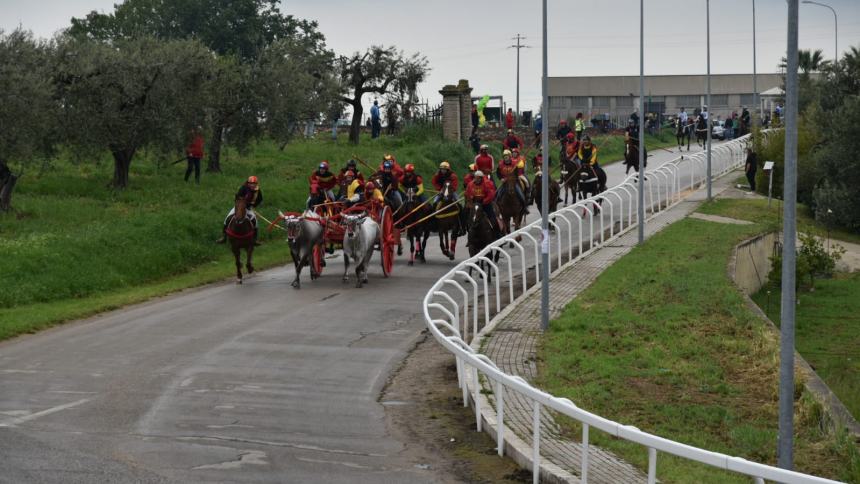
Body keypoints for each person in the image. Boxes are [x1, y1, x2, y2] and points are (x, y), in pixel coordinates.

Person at [217, 176, 263, 245]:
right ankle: (224, 237)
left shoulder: (258, 190)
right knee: (227, 218)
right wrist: (240, 205)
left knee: (255, 221)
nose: (252, 185)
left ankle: (255, 239)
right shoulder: (243, 188)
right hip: (239, 207)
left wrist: (253, 205)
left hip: (248, 208)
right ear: (248, 183)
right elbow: (237, 197)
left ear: (256, 184)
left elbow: (260, 199)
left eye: (254, 183)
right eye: (251, 183)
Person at [465, 170, 501, 237]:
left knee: (492, 217)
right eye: (476, 177)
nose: (477, 179)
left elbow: (491, 195)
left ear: (481, 178)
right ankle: (466, 230)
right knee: (466, 214)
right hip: (475, 203)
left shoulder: (487, 183)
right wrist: (470, 201)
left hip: (485, 203)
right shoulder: (470, 184)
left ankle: (498, 234)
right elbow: (467, 193)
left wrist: (484, 201)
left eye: (479, 178)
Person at [495, 150, 529, 214]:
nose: (505, 158)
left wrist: (513, 179)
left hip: (513, 182)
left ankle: (524, 207)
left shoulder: (514, 164)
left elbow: (516, 173)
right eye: (504, 157)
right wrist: (501, 178)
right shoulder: (500, 164)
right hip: (505, 182)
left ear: (510, 157)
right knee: (497, 194)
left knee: (520, 194)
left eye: (507, 156)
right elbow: (498, 173)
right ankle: (497, 209)